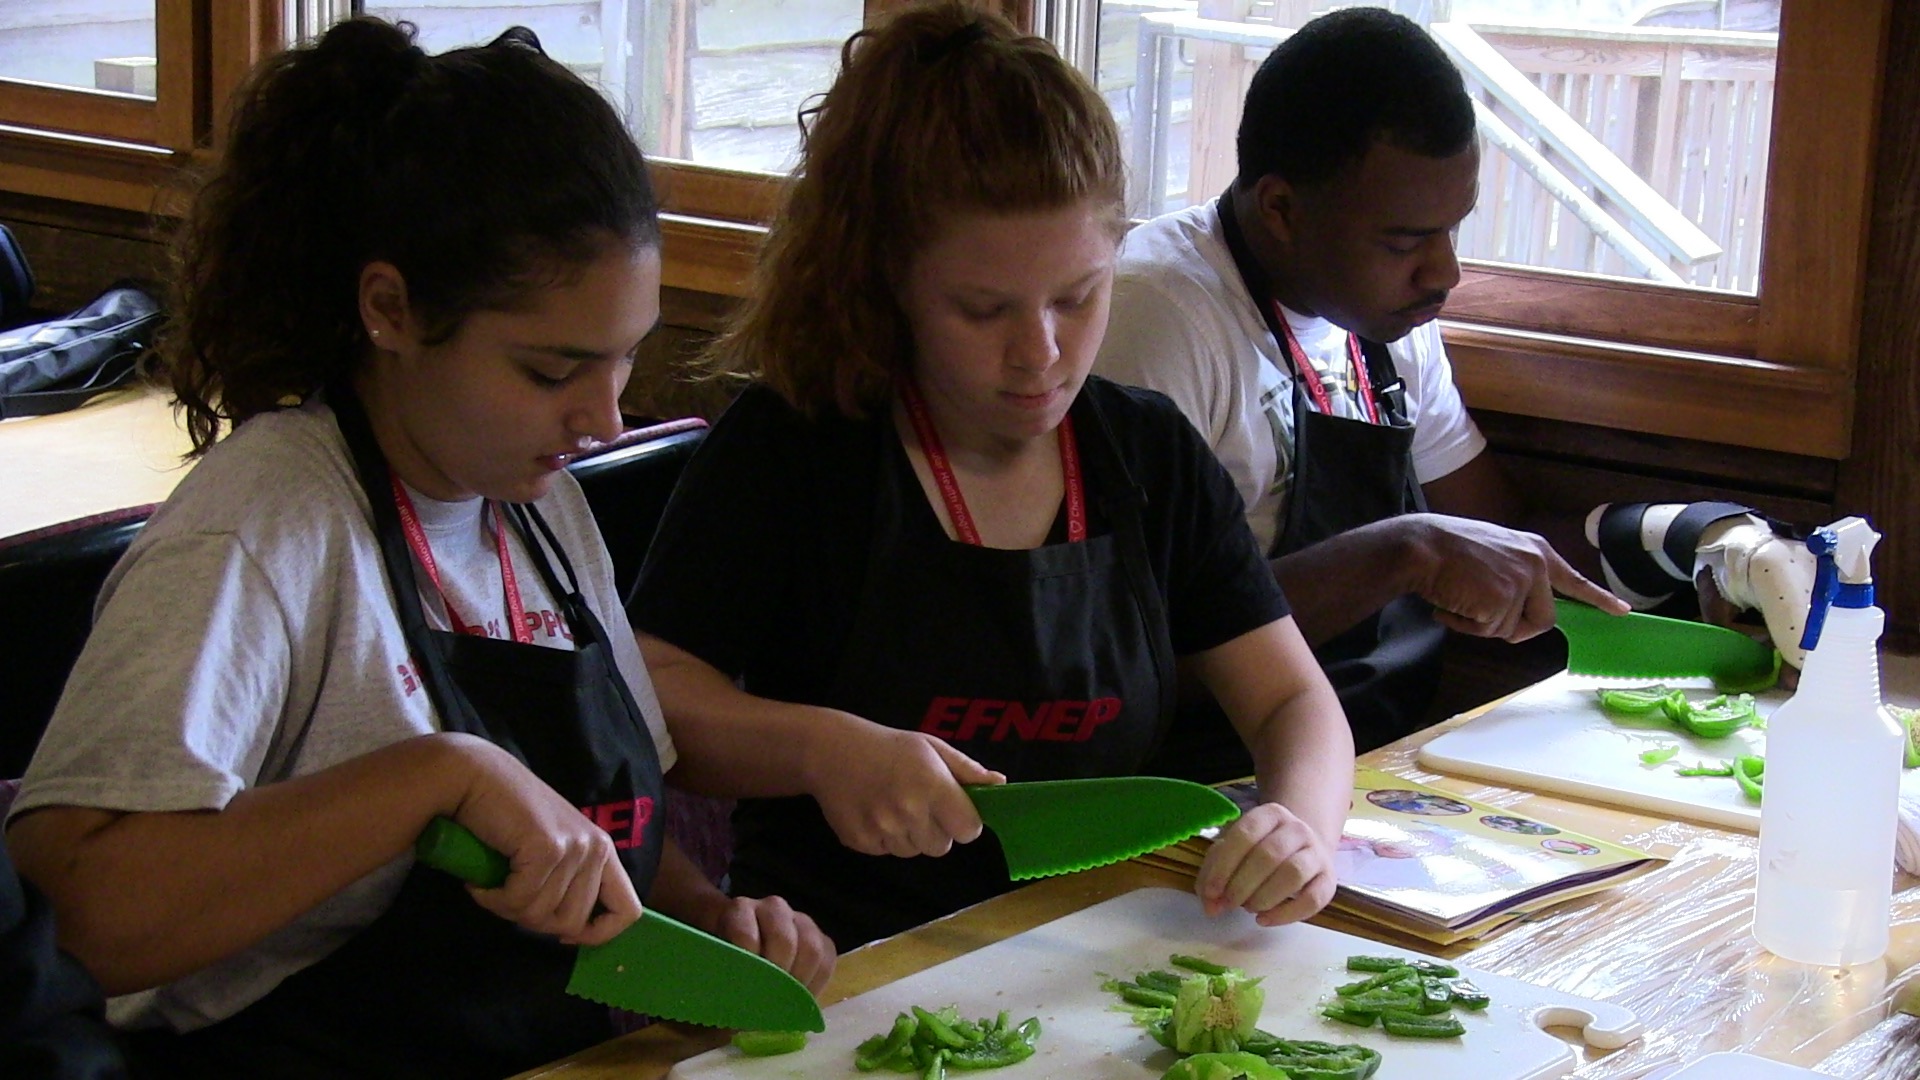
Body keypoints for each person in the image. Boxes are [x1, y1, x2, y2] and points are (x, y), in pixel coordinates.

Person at [3, 19, 830, 1078]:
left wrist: (712, 923)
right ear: (389, 308)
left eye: (625, 361)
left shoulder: (538, 509)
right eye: (549, 371)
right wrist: (429, 779)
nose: (604, 421)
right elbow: (74, 914)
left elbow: (604, 839)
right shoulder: (265, 527)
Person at [630, 1, 1355, 953]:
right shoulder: (795, 450)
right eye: (982, 310)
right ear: (886, 279)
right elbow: (648, 693)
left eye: (1078, 296)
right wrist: (821, 747)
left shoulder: (1146, 453)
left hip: (1099, 953)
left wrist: (1301, 824)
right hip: (846, 965)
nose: (1041, 353)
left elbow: (1294, 702)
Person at [1096, 7, 1807, 776]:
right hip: (1208, 781)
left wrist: (1696, 542)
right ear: (1280, 209)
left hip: (1381, 762)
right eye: (1404, 241)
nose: (1444, 274)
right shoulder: (1160, 316)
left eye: (1453, 231)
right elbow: (1130, 652)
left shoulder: (1378, 312)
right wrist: (1404, 550)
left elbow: (1499, 539)